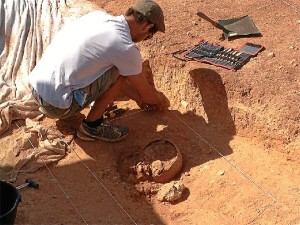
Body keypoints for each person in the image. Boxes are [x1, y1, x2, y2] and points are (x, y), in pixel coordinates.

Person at [29, 0, 170, 142]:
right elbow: (148, 96)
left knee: (113, 66)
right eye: (149, 36)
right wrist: (160, 100)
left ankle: (75, 108)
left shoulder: (98, 16)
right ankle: (92, 126)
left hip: (37, 91)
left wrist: (137, 98)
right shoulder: (124, 46)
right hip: (55, 106)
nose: (145, 39)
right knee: (118, 70)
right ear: (148, 27)